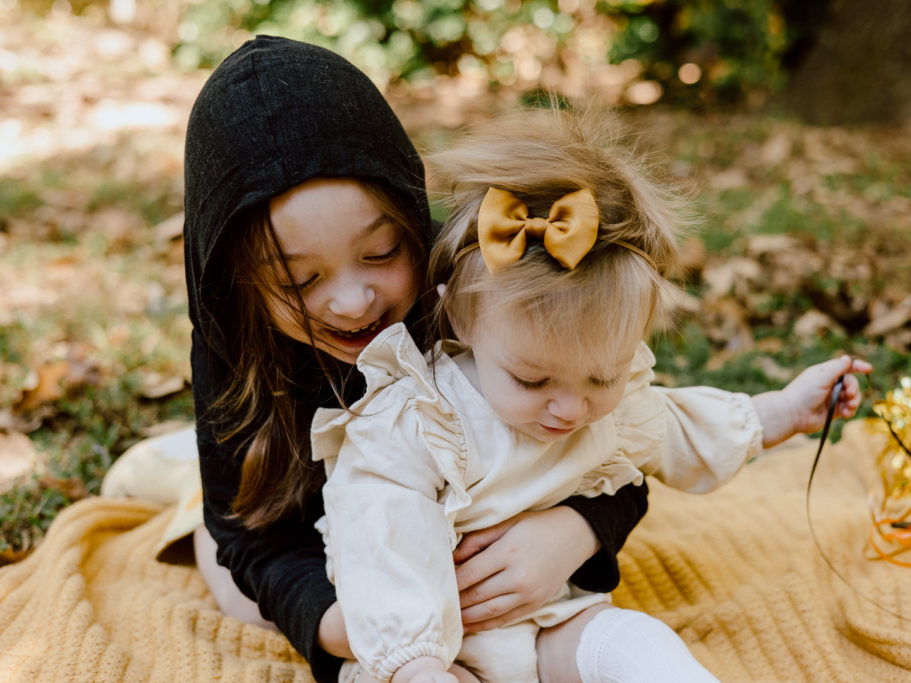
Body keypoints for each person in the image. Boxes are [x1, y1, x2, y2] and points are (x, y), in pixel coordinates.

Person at [311, 106, 872, 683]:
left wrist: (783, 410)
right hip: (435, 648)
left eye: (602, 378)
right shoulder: (417, 419)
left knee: (636, 643)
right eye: (532, 380)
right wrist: (417, 664)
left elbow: (679, 425)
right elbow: (380, 540)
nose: (572, 408)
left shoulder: (610, 402)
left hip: (554, 622)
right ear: (459, 318)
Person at [182, 36, 653, 683]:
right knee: (234, 579)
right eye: (299, 279)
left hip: (480, 535)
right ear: (237, 282)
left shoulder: (478, 293)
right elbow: (254, 540)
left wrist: (576, 529)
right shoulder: (235, 354)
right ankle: (188, 516)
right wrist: (350, 623)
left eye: (380, 254)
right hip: (337, 561)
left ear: (411, 220)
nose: (351, 300)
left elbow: (620, 436)